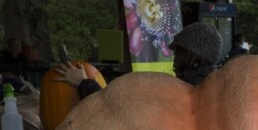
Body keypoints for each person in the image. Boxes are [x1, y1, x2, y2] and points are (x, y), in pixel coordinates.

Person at [55, 22, 223, 99]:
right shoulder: (215, 88)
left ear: (190, 55)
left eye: (177, 52)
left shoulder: (177, 92)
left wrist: (82, 82)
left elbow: (118, 109)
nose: (174, 58)